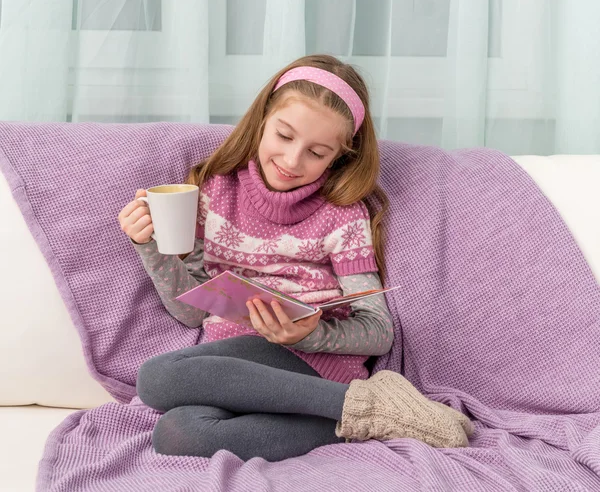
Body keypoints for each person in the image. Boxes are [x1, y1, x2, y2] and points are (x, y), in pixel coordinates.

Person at [118, 54, 473, 461]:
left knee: (156, 377)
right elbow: (192, 314)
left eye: (317, 152)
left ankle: (362, 404)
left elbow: (378, 331)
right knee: (178, 434)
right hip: (233, 367)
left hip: (310, 362)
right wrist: (148, 245)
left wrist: (308, 334)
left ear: (339, 155)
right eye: (284, 136)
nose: (292, 161)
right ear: (263, 118)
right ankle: (360, 414)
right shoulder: (215, 193)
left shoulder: (342, 215)